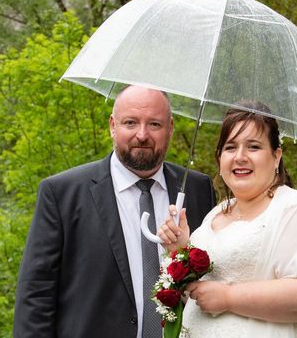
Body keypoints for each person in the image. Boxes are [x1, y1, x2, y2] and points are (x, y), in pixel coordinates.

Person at [13, 85, 215, 337]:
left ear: (170, 128)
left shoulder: (198, 189)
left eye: (154, 124)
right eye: (130, 123)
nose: (142, 135)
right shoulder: (62, 193)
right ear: (112, 125)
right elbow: (36, 293)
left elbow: (212, 277)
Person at [158, 103, 297, 337]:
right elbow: (198, 289)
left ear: (276, 156)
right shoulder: (216, 214)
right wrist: (181, 250)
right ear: (220, 158)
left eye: (253, 147)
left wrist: (229, 298)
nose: (240, 157)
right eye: (230, 147)